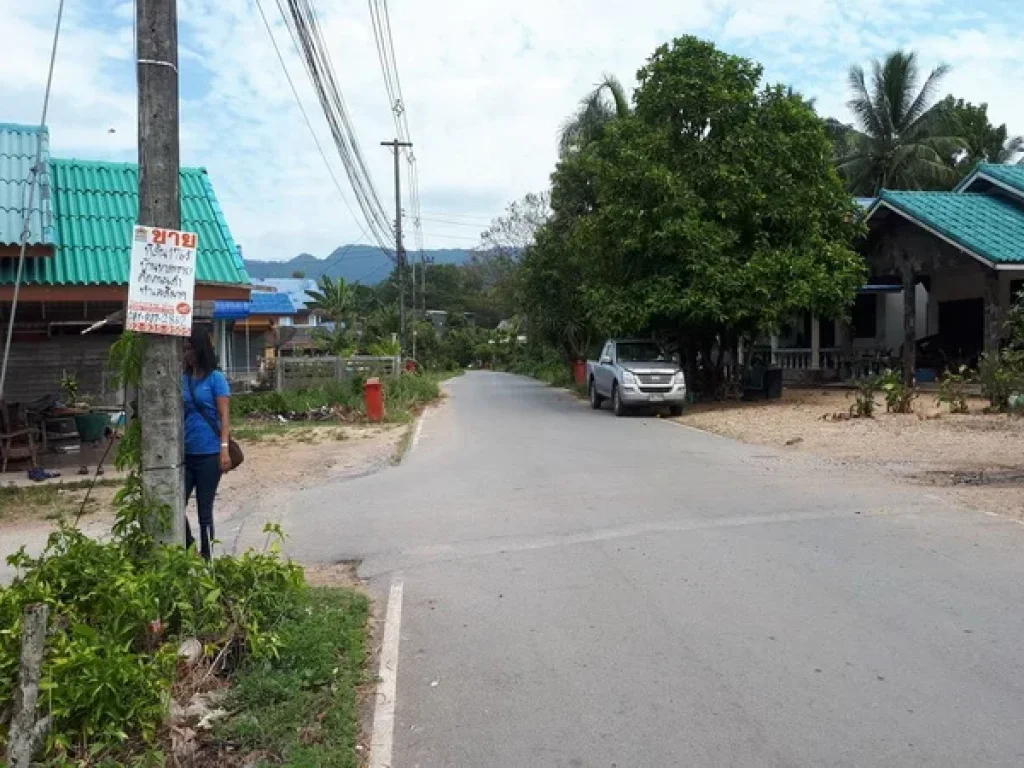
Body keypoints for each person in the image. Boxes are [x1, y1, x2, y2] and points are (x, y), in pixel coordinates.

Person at [182, 325, 232, 559]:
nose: (187, 354)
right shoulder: (183, 379)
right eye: (185, 349)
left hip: (210, 453)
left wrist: (224, 449)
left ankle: (208, 557)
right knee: (175, 504)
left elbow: (224, 416)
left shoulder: (216, 379)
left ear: (200, 350)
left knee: (204, 510)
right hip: (186, 453)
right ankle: (190, 547)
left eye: (190, 349)